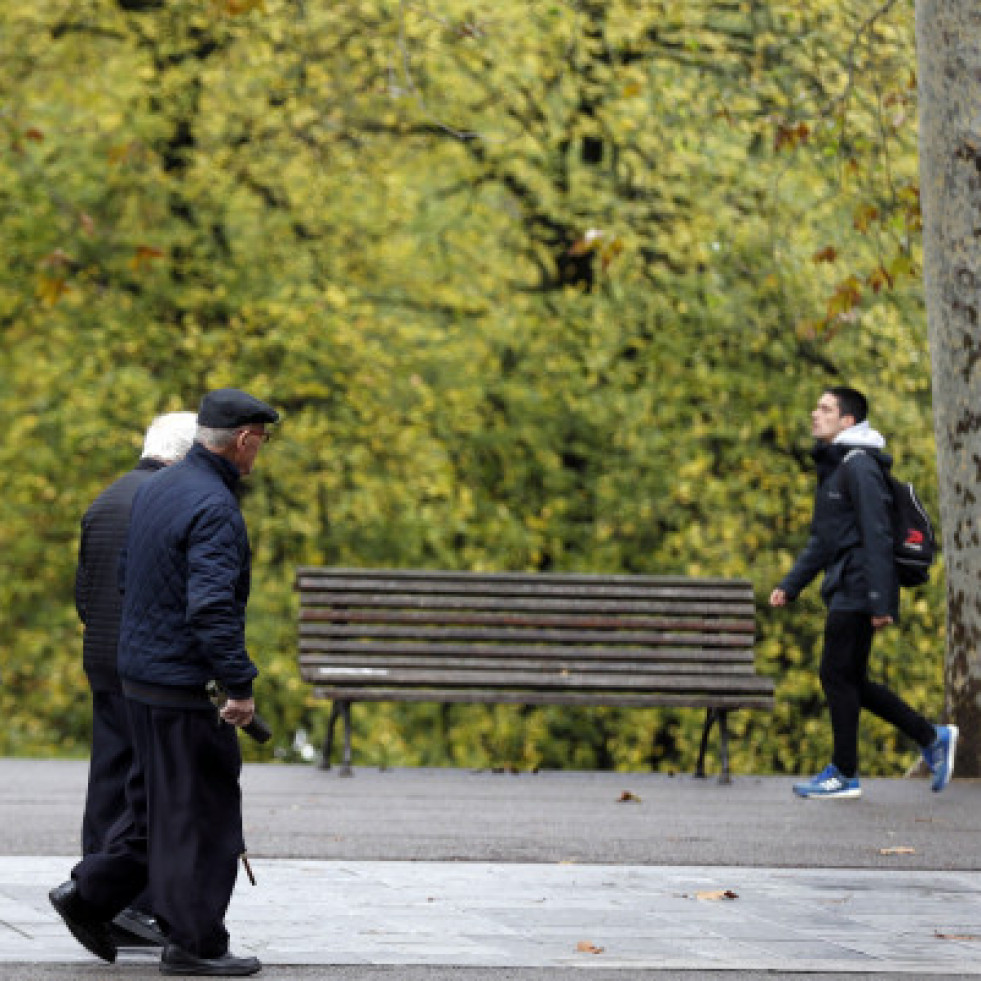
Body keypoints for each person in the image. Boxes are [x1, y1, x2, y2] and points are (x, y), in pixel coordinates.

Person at [50, 388, 279, 977]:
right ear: (246, 439)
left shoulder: (156, 491)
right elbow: (211, 609)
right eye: (264, 440)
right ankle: (195, 945)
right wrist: (239, 686)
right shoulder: (215, 507)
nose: (262, 452)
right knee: (202, 817)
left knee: (154, 810)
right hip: (184, 688)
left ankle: (88, 896)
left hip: (141, 680)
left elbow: (127, 580)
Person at [769, 386, 957, 800]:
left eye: (825, 408)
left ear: (847, 421)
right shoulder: (837, 468)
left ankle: (845, 772)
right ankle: (931, 735)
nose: (814, 413)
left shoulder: (860, 466)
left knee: (836, 674)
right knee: (850, 678)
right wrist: (790, 585)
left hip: (859, 585)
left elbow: (878, 533)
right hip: (848, 582)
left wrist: (880, 601)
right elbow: (822, 540)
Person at [74, 411, 197, 949]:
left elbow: (84, 590)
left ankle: (96, 897)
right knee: (149, 788)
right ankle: (129, 906)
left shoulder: (105, 499)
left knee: (108, 780)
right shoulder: (164, 504)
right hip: (145, 666)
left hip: (101, 657)